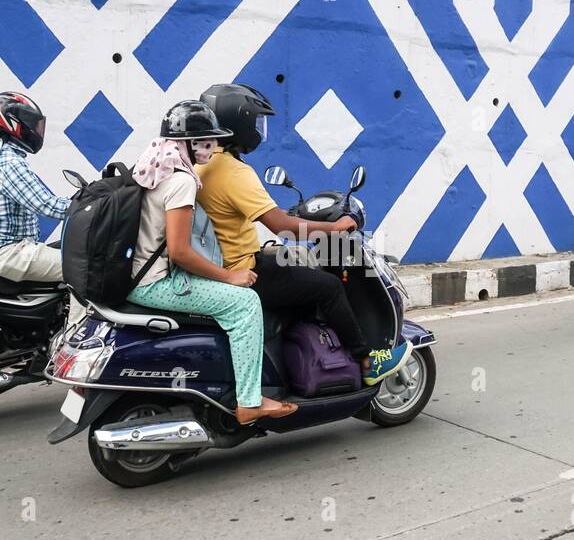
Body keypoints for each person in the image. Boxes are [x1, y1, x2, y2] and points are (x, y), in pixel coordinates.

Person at [196, 83, 412, 387]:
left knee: (296, 269)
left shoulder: (202, 164)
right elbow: (283, 227)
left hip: (223, 264)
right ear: (239, 122)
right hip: (243, 269)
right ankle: (366, 361)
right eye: (255, 121)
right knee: (329, 286)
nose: (259, 129)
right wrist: (334, 228)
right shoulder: (233, 172)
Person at [128, 100, 297, 426]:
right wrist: (228, 276)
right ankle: (250, 401)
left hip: (138, 276)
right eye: (205, 141)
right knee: (246, 303)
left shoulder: (155, 164)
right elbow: (179, 252)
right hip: (155, 283)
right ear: (187, 143)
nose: (212, 147)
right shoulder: (181, 180)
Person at [0, 92, 69, 282]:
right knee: (85, 268)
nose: (37, 131)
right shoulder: (9, 162)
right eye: (33, 125)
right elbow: (48, 206)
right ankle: (82, 314)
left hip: (5, 249)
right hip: (7, 253)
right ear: (13, 123)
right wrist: (94, 207)